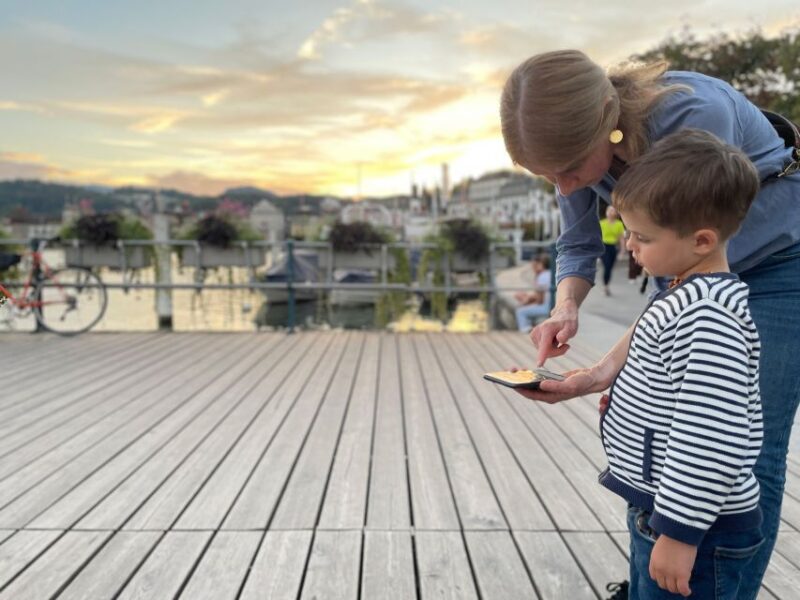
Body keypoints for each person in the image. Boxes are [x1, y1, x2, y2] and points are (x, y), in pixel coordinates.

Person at [500, 49, 800, 599]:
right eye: (547, 176)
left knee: (750, 447)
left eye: (568, 170)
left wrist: (607, 370)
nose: (563, 187)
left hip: (778, 262)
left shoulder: (695, 115)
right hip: (690, 272)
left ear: (607, 125)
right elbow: (580, 243)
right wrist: (565, 307)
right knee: (661, 425)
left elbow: (685, 282)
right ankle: (653, 577)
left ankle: (718, 583)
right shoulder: (575, 153)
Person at [606, 130, 763, 598]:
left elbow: (710, 431)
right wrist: (634, 407)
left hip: (696, 529)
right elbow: (678, 393)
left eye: (642, 236)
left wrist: (679, 534)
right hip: (666, 510)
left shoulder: (707, 316)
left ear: (701, 241)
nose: (629, 245)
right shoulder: (687, 295)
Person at [514, 253, 552, 332]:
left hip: (547, 308)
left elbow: (539, 300)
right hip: (553, 306)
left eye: (534, 265)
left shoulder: (542, 276)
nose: (532, 268)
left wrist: (526, 301)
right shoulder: (550, 274)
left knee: (520, 312)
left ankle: (526, 330)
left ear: (540, 265)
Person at [599, 205, 626, 295]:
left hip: (613, 248)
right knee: (607, 266)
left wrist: (622, 250)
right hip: (603, 247)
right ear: (606, 212)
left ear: (616, 213)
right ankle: (605, 286)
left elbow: (621, 238)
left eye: (613, 210)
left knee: (610, 268)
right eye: (609, 210)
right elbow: (597, 237)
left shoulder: (619, 224)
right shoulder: (602, 223)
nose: (611, 212)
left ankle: (607, 284)